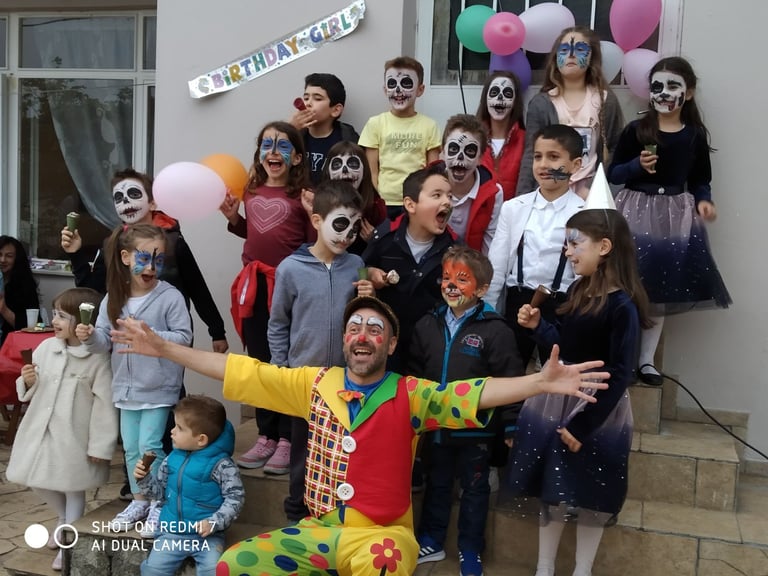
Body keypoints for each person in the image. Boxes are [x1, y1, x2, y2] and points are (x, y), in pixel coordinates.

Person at [111, 295, 610, 576]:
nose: (363, 335)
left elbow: (474, 392)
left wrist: (539, 382)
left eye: (375, 329)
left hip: (382, 535)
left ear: (391, 344)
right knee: (235, 566)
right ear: (345, 340)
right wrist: (167, 351)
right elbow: (238, 368)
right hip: (319, 532)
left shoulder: (411, 392)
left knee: (385, 562)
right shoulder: (312, 384)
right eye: (355, 327)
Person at [504, 207, 651, 576]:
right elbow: (562, 348)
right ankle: (544, 568)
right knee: (552, 488)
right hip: (555, 400)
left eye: (574, 244)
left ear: (604, 247)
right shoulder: (577, 290)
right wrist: (539, 327)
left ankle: (582, 570)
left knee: (591, 495)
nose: (567, 252)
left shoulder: (623, 307)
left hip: (596, 410)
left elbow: (619, 374)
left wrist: (583, 425)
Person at [608, 56, 731, 385]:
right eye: (657, 86)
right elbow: (614, 173)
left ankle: (646, 361)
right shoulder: (637, 130)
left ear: (687, 94)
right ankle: (622, 358)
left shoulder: (693, 137)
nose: (663, 93)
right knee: (627, 286)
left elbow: (701, 179)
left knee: (659, 292)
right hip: (634, 211)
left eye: (672, 86)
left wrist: (704, 201)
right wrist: (636, 166)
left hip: (674, 216)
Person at [409, 246, 524, 576]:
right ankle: (431, 539)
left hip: (478, 432)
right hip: (435, 428)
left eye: (462, 279)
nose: (451, 285)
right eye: (446, 278)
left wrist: (512, 426)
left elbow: (511, 379)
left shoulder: (496, 330)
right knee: (438, 484)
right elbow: (414, 376)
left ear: (483, 289)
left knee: (475, 491)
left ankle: (470, 549)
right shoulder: (426, 325)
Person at [76, 224, 193, 536]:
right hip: (125, 388)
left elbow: (184, 338)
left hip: (158, 387)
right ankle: (140, 500)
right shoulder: (114, 297)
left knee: (150, 445)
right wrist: (89, 337)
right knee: (130, 448)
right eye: (145, 259)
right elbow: (104, 340)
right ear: (126, 258)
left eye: (159, 260)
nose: (152, 268)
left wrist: (150, 335)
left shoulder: (170, 297)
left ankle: (158, 503)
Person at [268, 179, 372, 522]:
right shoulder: (290, 269)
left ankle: (336, 512)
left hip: (346, 380)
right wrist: (281, 368)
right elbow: (278, 322)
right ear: (316, 221)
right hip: (303, 379)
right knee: (304, 450)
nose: (347, 234)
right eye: (340, 224)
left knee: (344, 450)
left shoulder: (356, 263)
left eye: (355, 227)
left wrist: (368, 295)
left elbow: (362, 316)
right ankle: (297, 514)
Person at [219, 120, 315, 473]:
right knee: (259, 360)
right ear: (259, 153)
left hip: (288, 288)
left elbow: (308, 242)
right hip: (255, 287)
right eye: (267, 145)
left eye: (283, 146)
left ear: (297, 157)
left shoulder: (301, 196)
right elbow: (253, 232)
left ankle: (289, 438)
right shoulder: (251, 190)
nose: (274, 152)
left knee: (286, 363)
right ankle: (266, 435)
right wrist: (234, 219)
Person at [6, 287, 118, 571]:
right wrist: (28, 381)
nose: (55, 320)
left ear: (83, 322)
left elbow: (105, 405)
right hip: (41, 430)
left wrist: (100, 446)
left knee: (73, 487)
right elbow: (32, 389)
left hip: (75, 436)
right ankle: (63, 517)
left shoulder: (96, 360)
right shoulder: (45, 348)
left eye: (64, 316)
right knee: (34, 477)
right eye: (55, 313)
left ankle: (69, 540)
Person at [60, 168, 229, 353]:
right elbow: (94, 290)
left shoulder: (172, 243)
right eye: (118, 197)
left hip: (166, 337)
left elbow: (197, 288)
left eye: (133, 194)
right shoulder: (112, 244)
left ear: (153, 203)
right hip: (123, 340)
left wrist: (217, 331)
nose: (125, 201)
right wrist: (76, 254)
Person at [487, 125, 585, 368]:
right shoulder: (514, 207)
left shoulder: (585, 212)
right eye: (538, 156)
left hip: (562, 306)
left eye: (553, 157)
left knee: (557, 372)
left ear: (575, 165)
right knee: (507, 370)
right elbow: (497, 264)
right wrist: (487, 310)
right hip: (518, 301)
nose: (543, 165)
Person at [134, 395, 245, 576]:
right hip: (171, 533)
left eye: (179, 428)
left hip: (207, 536)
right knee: (153, 570)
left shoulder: (222, 465)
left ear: (201, 439)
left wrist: (214, 522)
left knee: (214, 570)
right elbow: (160, 494)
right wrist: (144, 478)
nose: (172, 431)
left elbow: (235, 498)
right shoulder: (171, 459)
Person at [362, 163, 456, 371]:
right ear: (410, 205)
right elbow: (359, 268)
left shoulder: (455, 250)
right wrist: (369, 275)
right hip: (386, 345)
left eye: (450, 196)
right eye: (437, 195)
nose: (447, 202)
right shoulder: (384, 237)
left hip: (429, 350)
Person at [516, 27, 624, 198]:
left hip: (588, 194)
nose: (571, 55)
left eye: (580, 49)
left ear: (591, 57)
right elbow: (531, 153)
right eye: (564, 50)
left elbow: (614, 150)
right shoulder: (541, 103)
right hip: (549, 192)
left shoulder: (605, 101)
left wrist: (596, 188)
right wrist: (523, 197)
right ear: (555, 57)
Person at [359, 56, 441, 218]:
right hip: (384, 202)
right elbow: (371, 171)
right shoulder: (375, 123)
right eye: (392, 84)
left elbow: (433, 170)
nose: (398, 90)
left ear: (420, 89)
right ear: (385, 89)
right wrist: (379, 198)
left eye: (406, 83)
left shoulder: (429, 126)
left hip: (417, 201)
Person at [441, 114, 504, 254]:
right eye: (453, 149)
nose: (460, 157)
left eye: (470, 150)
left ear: (480, 158)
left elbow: (491, 244)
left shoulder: (493, 193)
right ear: (443, 152)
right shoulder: (426, 185)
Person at [290, 72, 360, 185]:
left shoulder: (347, 138)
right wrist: (290, 130)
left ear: (336, 110)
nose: (308, 103)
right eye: (306, 98)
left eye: (317, 99)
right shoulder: (295, 136)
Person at [320, 140, 387, 255]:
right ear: (328, 170)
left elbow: (386, 252)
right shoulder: (318, 203)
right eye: (337, 165)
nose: (345, 170)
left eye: (353, 164)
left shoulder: (375, 206)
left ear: (364, 170)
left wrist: (374, 240)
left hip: (361, 267)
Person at [477, 70, 526, 200]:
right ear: (485, 98)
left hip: (515, 215)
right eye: (494, 93)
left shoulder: (526, 141)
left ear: (515, 101)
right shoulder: (474, 139)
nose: (500, 98)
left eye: (507, 93)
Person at [0, 235, 40, 344]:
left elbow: (32, 326)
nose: (2, 260)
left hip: (11, 343)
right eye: (0, 255)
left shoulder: (25, 285)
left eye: (9, 256)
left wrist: (4, 310)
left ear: (17, 259)